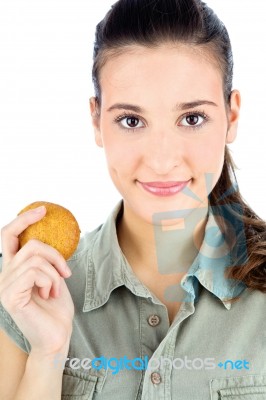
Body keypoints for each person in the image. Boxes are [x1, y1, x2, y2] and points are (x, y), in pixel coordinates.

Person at [0, 0, 266, 398]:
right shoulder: (28, 293)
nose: (161, 160)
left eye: (192, 118)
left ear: (231, 116)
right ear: (97, 121)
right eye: (131, 121)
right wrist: (47, 354)